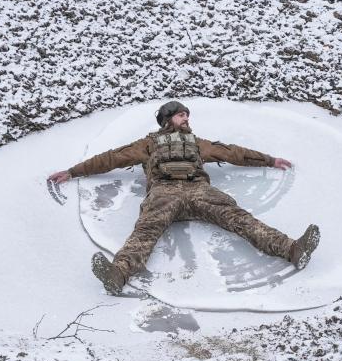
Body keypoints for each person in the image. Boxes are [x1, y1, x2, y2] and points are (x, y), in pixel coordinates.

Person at [48, 101, 320, 294]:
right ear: (167, 119)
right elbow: (111, 158)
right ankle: (117, 274)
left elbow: (231, 152)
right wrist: (72, 172)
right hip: (163, 193)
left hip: (198, 190)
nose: (186, 118)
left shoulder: (197, 143)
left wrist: (270, 160)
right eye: (181, 115)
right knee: (145, 232)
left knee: (240, 219)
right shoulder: (148, 144)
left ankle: (293, 250)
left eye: (187, 115)